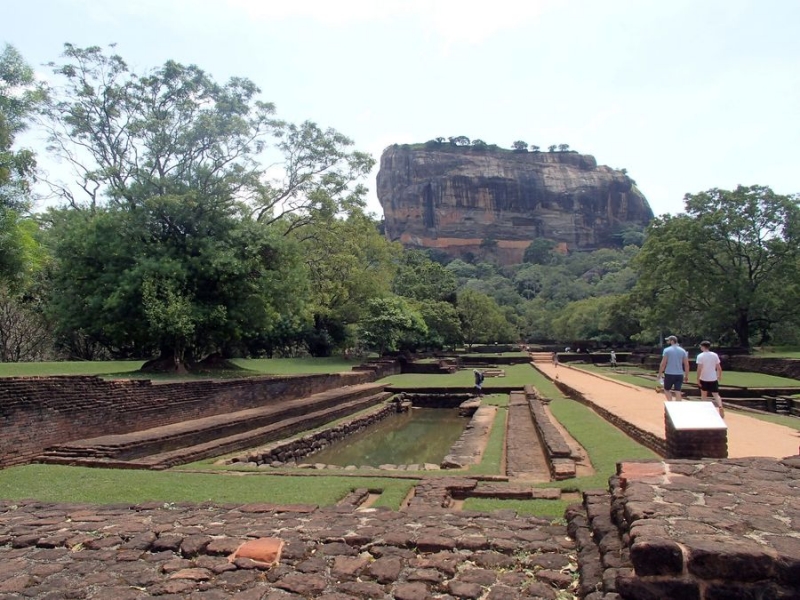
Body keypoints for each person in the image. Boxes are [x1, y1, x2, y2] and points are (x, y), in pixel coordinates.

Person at [696, 340, 724, 417]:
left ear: (703, 347)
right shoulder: (714, 355)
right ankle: (720, 406)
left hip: (704, 378)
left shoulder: (700, 356)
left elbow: (699, 369)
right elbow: (719, 367)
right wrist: (719, 375)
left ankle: (704, 409)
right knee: (716, 395)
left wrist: (697, 378)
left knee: (704, 394)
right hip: (713, 378)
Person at [658, 335, 689, 401]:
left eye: (669, 340)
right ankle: (677, 406)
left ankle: (670, 402)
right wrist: (686, 375)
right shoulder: (683, 351)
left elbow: (663, 363)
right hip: (679, 374)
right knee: (678, 390)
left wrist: (660, 373)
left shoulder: (667, 350)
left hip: (669, 373)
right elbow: (686, 364)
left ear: (672, 341)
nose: (668, 342)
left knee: (666, 389)